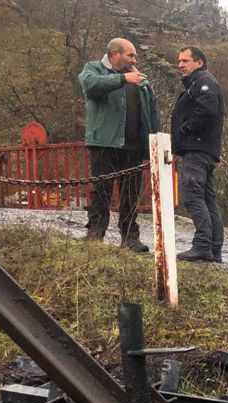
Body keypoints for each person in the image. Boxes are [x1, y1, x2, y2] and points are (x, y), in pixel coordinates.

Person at [78, 38, 160, 253]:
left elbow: (152, 112)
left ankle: (130, 238)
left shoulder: (142, 80)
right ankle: (95, 233)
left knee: (131, 195)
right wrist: (123, 79)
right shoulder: (93, 69)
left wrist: (155, 142)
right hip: (104, 143)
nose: (135, 59)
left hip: (133, 147)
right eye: (130, 55)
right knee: (101, 191)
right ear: (115, 54)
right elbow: (90, 86)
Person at [172, 46, 225, 263]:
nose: (180, 65)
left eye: (185, 61)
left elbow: (206, 110)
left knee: (192, 196)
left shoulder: (204, 82)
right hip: (203, 149)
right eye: (179, 61)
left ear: (199, 62)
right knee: (206, 199)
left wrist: (186, 129)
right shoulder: (200, 82)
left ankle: (203, 245)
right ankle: (213, 248)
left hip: (197, 149)